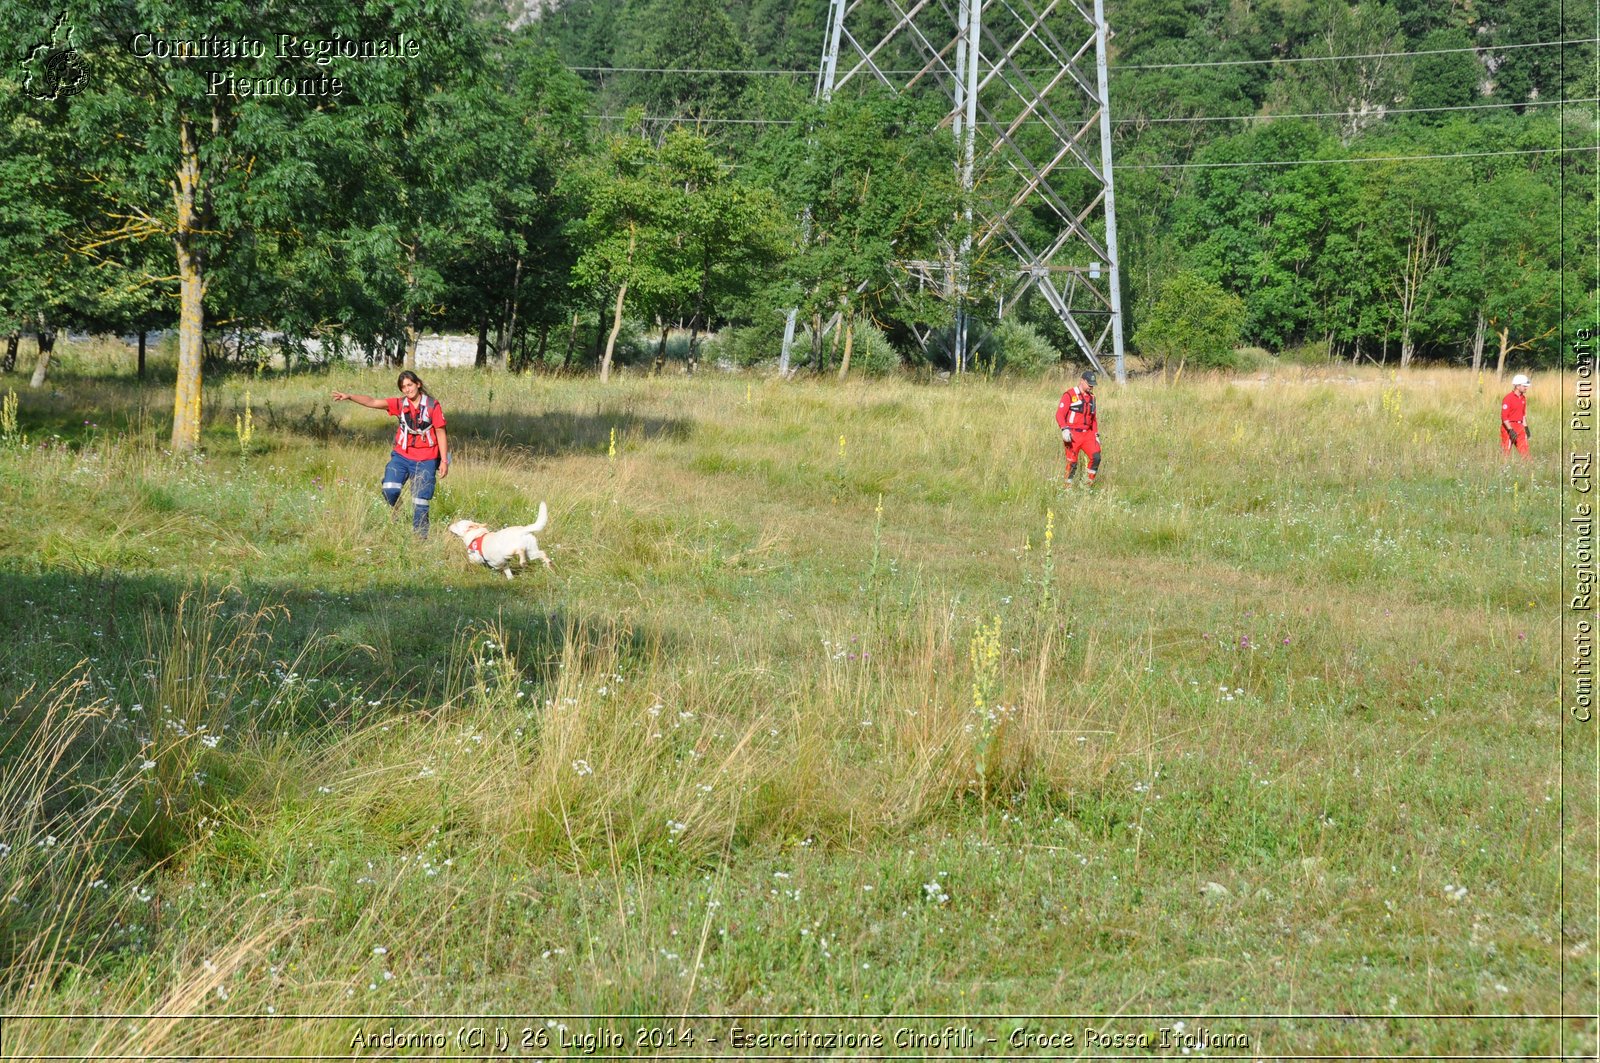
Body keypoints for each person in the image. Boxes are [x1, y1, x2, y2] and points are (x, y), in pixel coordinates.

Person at [332, 371, 450, 536]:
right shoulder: (400, 404)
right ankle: (398, 509)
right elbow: (372, 402)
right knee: (389, 489)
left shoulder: (432, 406)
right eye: (403, 387)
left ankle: (420, 539)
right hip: (402, 456)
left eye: (410, 385)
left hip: (426, 458)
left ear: (418, 384)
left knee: (420, 500)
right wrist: (350, 396)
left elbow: (441, 432)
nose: (407, 389)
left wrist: (444, 461)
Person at [1056, 368, 1101, 486]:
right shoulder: (1069, 395)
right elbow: (1059, 414)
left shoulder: (1092, 398)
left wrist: (1096, 434)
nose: (1091, 387)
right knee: (1072, 462)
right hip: (1072, 434)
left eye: (1093, 385)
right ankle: (1067, 488)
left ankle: (1088, 485)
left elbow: (1094, 418)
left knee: (1096, 456)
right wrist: (1064, 429)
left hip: (1088, 434)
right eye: (1089, 385)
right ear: (1082, 381)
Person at [1501, 373, 1531, 457]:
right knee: (1505, 452)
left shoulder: (1523, 398)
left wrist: (1526, 428)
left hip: (1520, 426)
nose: (1526, 388)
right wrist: (1510, 430)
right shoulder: (1508, 398)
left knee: (1525, 452)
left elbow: (1523, 415)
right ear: (1517, 386)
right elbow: (1504, 417)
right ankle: (1503, 468)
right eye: (1524, 386)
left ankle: (1528, 469)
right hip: (1508, 427)